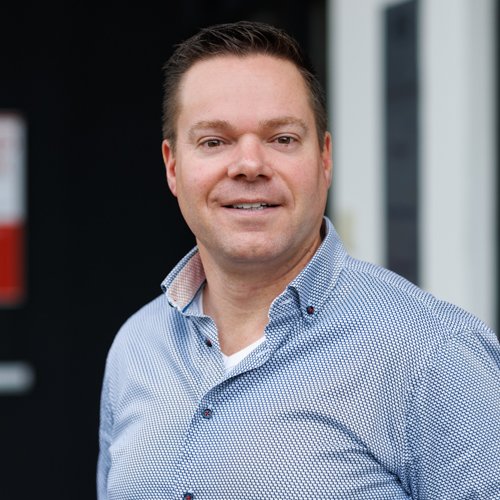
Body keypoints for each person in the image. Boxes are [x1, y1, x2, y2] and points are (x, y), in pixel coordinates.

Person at [97, 20, 500, 499]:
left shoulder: (434, 353)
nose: (249, 165)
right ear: (172, 166)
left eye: (282, 138)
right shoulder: (136, 347)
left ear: (325, 159)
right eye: (214, 141)